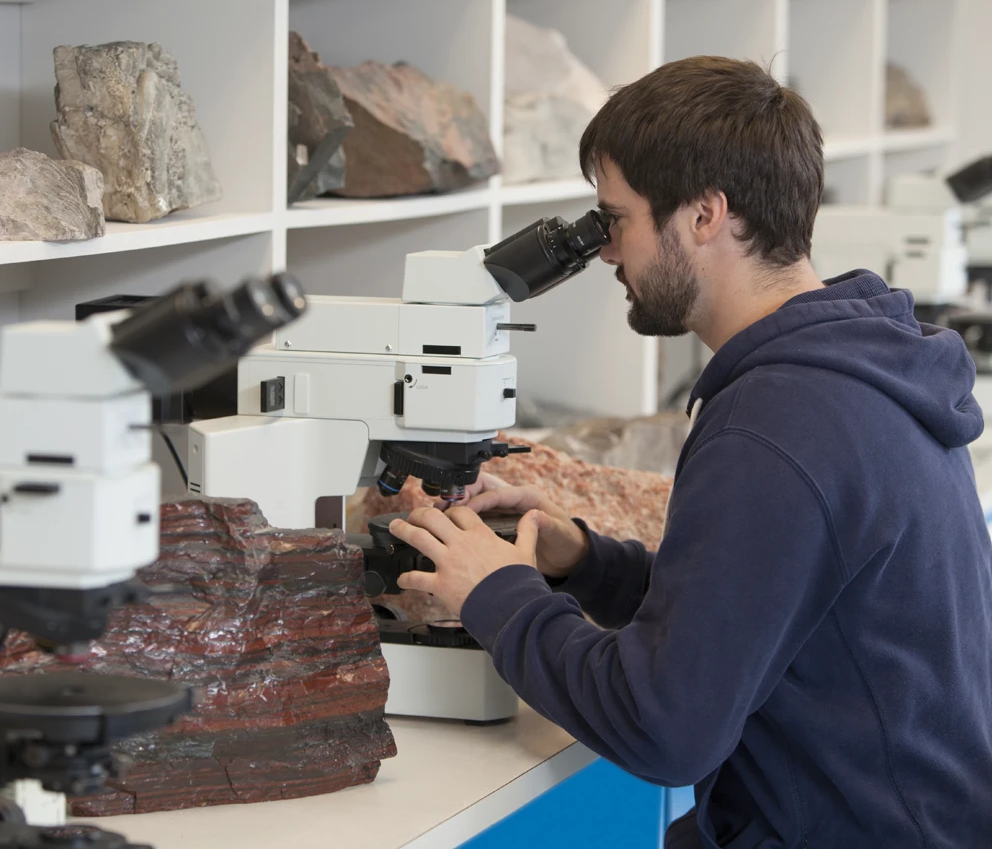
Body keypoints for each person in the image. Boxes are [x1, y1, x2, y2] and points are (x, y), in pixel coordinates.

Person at [388, 56, 992, 848]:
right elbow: (760, 609)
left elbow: (663, 729)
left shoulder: (773, 426)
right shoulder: (853, 369)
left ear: (705, 215)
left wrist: (496, 596)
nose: (606, 254)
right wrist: (582, 561)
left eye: (618, 221)